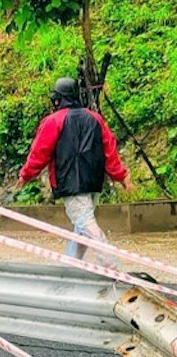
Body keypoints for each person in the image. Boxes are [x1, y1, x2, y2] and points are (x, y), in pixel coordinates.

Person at [19, 77, 132, 261]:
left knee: (85, 223)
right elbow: (109, 150)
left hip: (69, 181)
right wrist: (121, 176)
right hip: (93, 181)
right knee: (81, 228)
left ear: (57, 99)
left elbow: (40, 152)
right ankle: (70, 266)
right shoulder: (94, 117)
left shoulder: (53, 121)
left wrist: (26, 175)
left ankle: (112, 266)